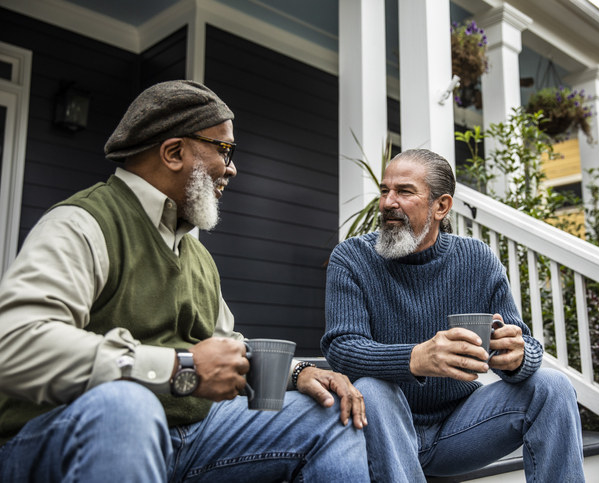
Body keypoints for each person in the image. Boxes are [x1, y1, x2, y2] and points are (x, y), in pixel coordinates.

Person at [0, 80, 370, 482]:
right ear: (174, 152)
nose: (232, 168)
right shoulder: (83, 223)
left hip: (189, 437)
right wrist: (180, 368)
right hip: (61, 438)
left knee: (332, 414)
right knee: (127, 407)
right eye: (224, 150)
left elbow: (229, 351)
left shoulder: (197, 256)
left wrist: (299, 373)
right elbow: (15, 343)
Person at [322, 148, 585, 482]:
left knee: (553, 385)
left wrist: (518, 357)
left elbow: (524, 343)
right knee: (373, 389)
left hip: (459, 430)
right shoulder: (352, 257)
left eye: (404, 191)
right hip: (381, 428)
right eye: (384, 191)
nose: (388, 202)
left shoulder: (476, 258)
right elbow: (342, 349)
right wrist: (417, 357)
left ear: (441, 205)